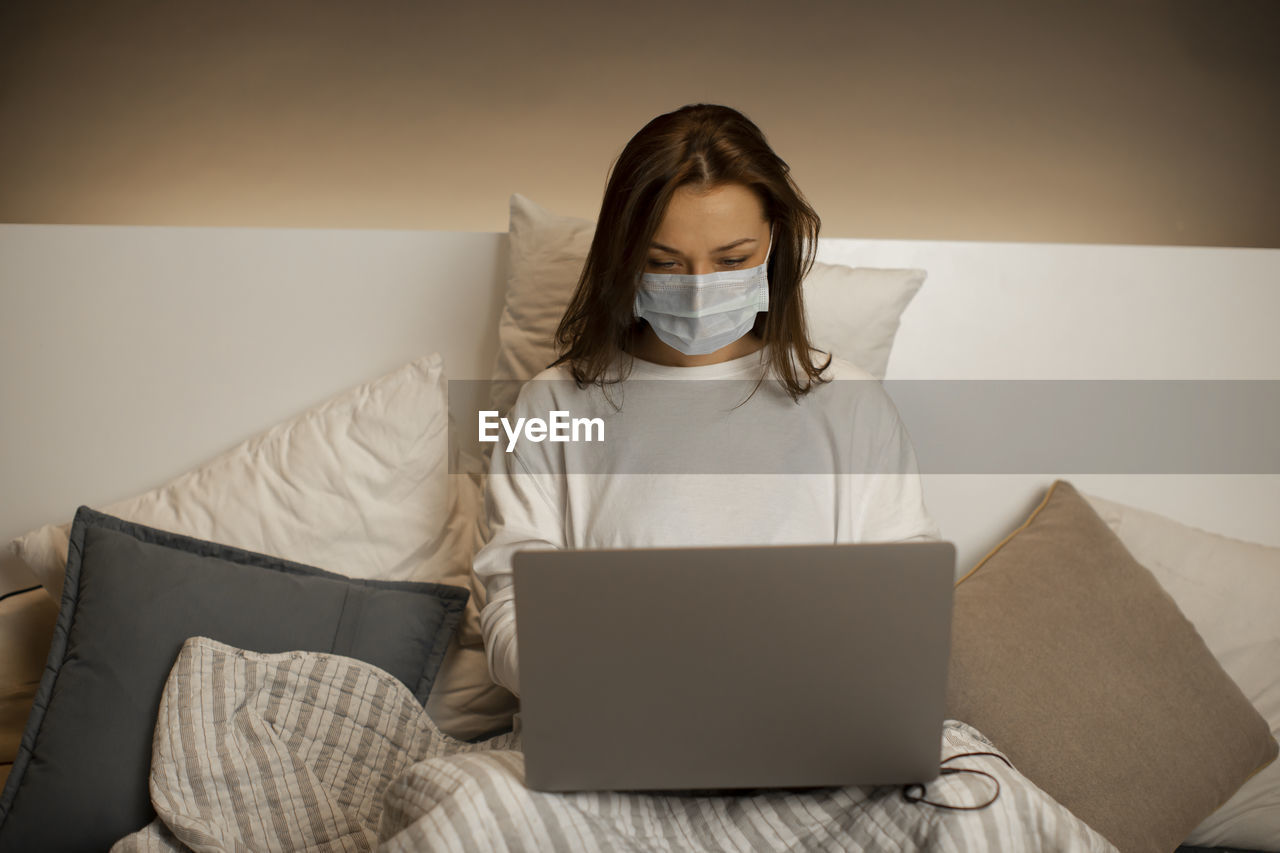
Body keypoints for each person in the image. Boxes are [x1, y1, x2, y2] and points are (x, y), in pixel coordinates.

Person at [472, 103, 940, 697]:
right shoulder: (548, 408)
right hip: (614, 727)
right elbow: (513, 608)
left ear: (774, 242)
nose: (697, 291)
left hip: (808, 725)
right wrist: (593, 683)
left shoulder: (850, 405)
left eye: (731, 261)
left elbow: (903, 606)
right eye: (663, 263)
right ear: (624, 258)